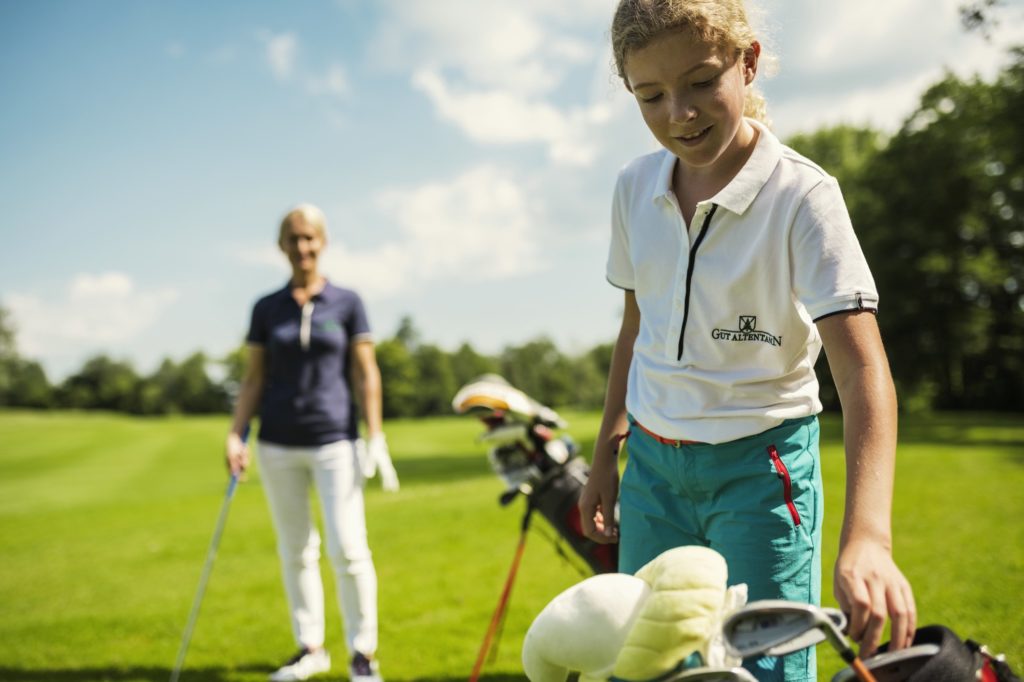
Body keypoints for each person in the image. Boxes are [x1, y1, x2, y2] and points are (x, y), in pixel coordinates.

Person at [577, 1, 916, 680]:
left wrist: (869, 536)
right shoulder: (631, 189)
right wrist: (606, 453)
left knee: (761, 670)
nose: (681, 112)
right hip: (651, 471)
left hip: (763, 475)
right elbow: (634, 328)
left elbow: (862, 371)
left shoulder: (804, 197)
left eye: (702, 82)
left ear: (748, 62)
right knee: (652, 667)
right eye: (652, 95)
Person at [225, 203, 399, 682]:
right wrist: (236, 433)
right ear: (282, 246)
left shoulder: (347, 302)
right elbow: (254, 379)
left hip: (334, 442)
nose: (302, 247)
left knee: (349, 547)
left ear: (322, 242)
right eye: (293, 239)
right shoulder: (267, 308)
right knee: (295, 549)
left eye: (309, 238)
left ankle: (362, 656)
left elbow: (367, 373)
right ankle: (311, 647)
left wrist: (376, 435)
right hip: (277, 442)